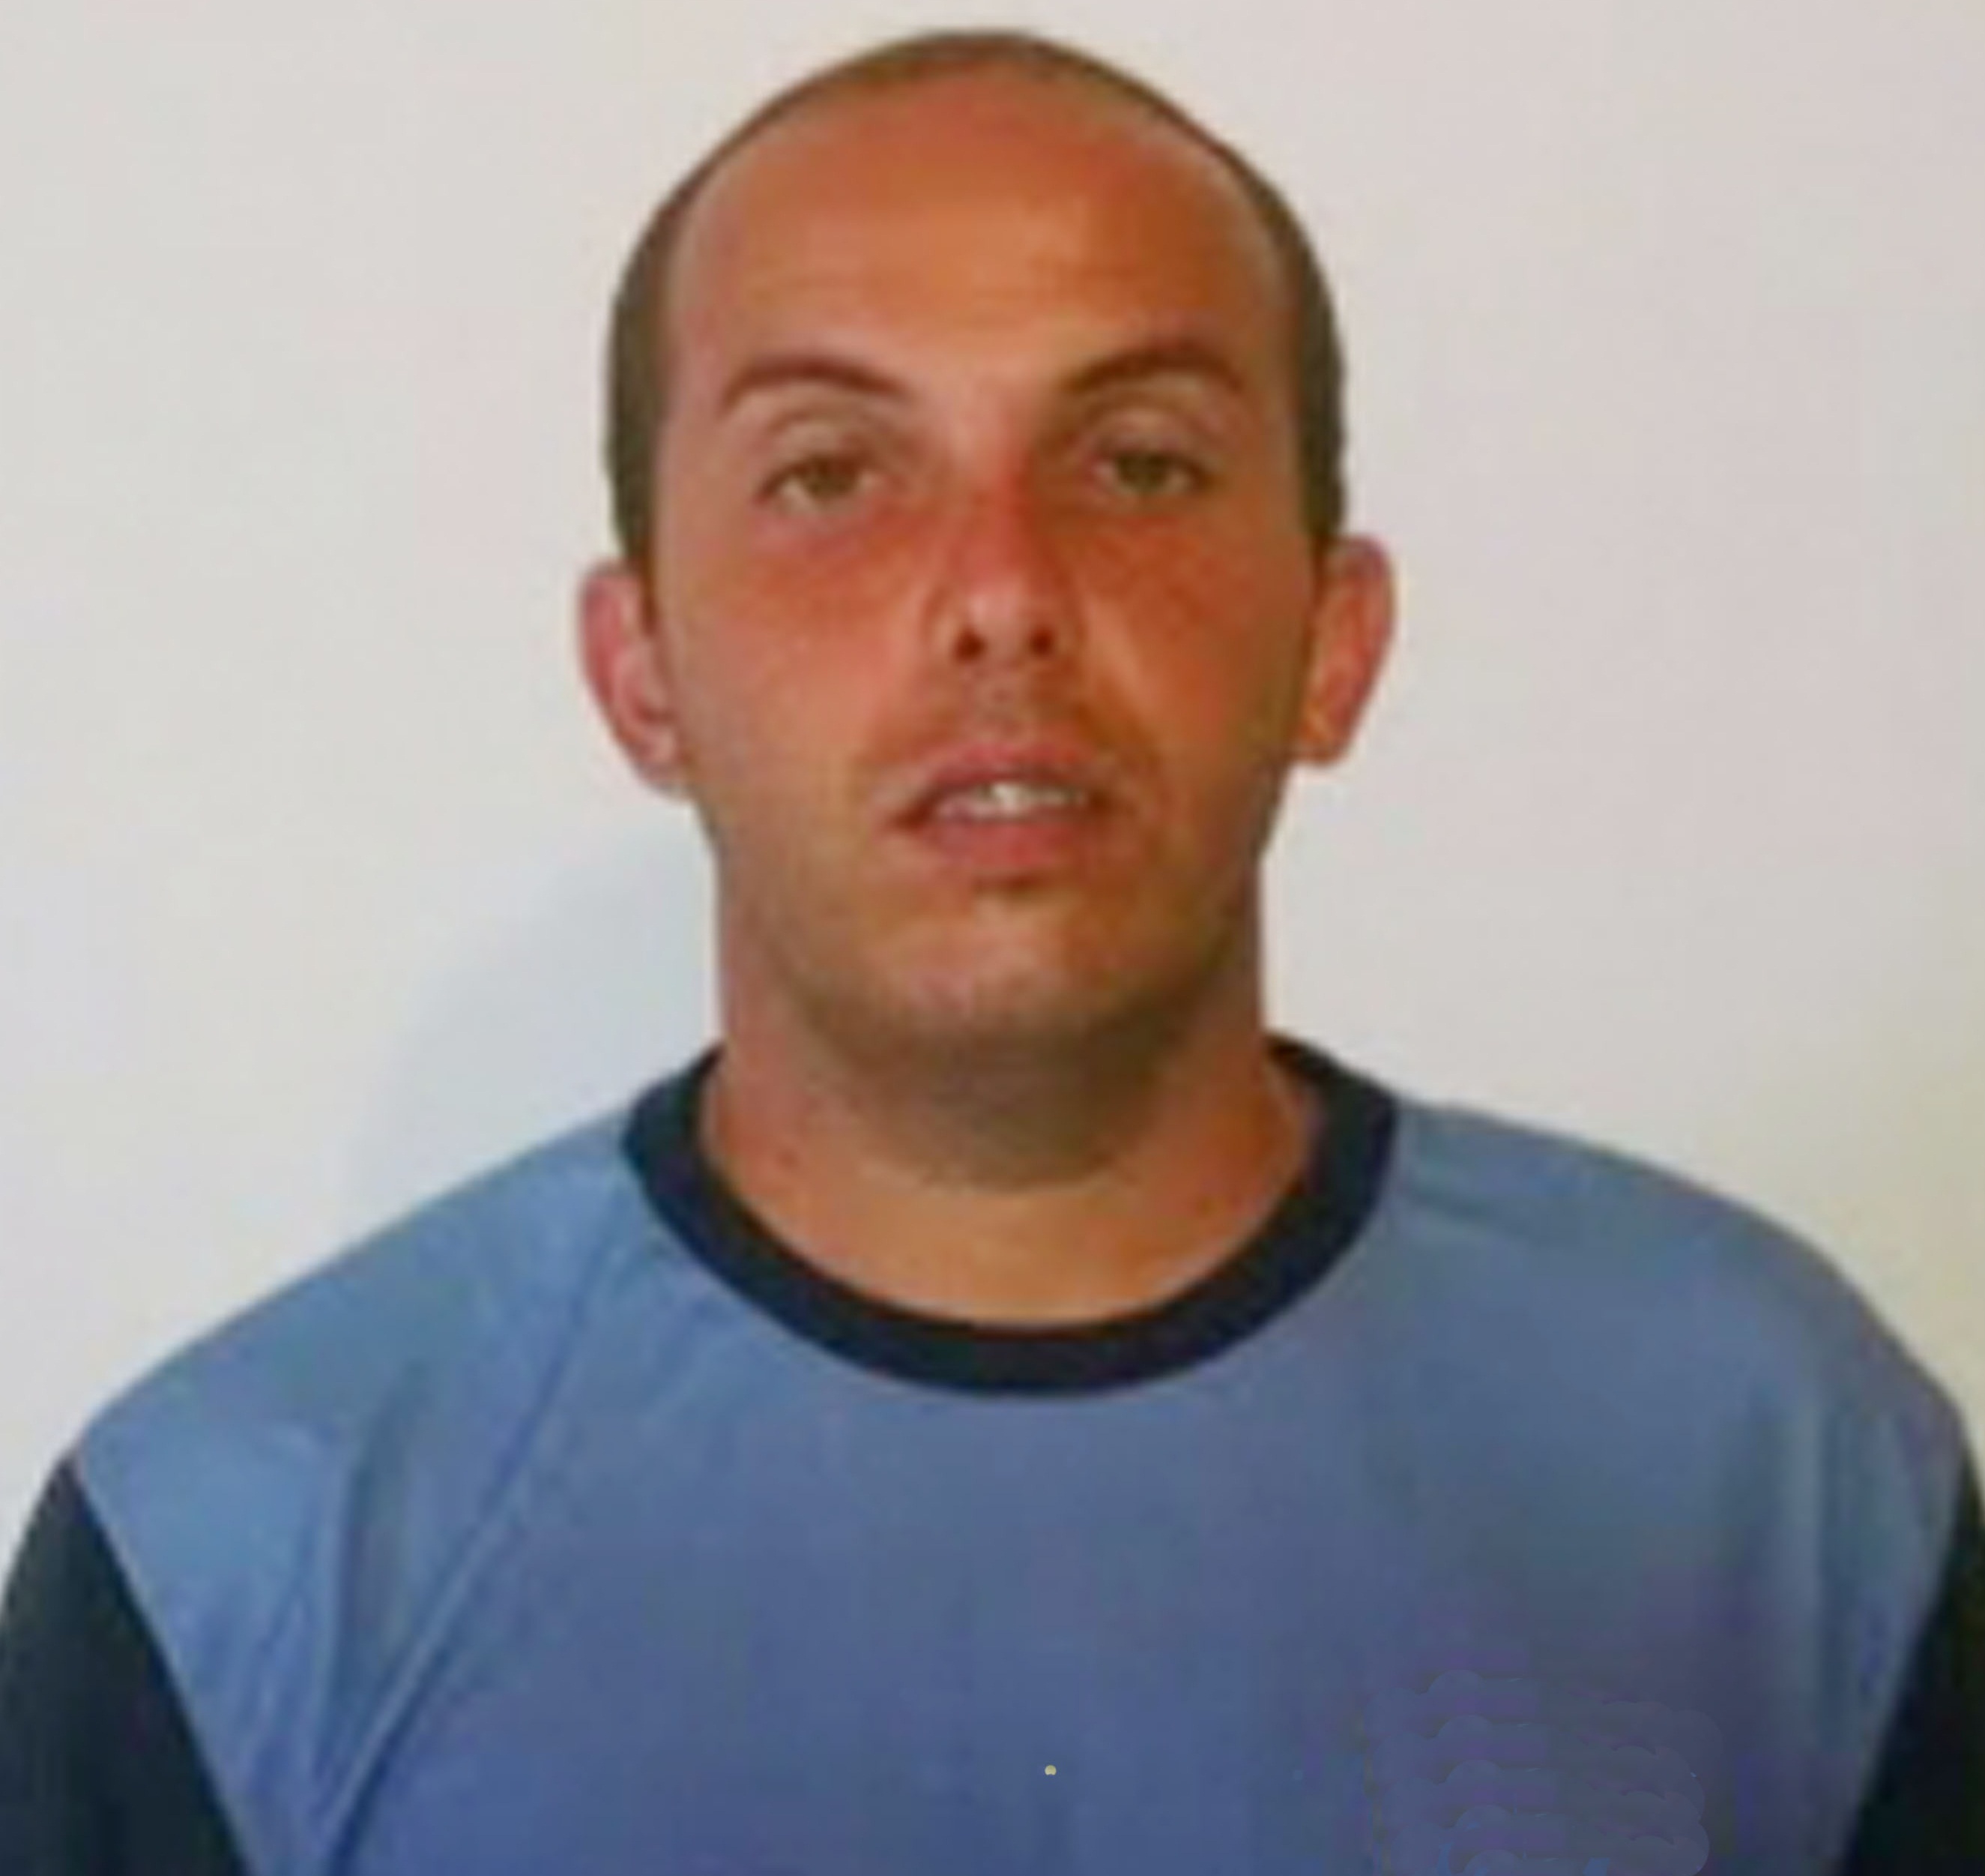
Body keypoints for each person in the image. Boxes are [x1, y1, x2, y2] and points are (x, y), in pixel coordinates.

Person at [0, 28, 1977, 1876]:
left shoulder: (1769, 1464)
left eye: (1139, 463)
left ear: (1334, 638)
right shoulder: (237, 1555)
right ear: (642, 672)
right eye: (830, 476)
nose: (1004, 594)